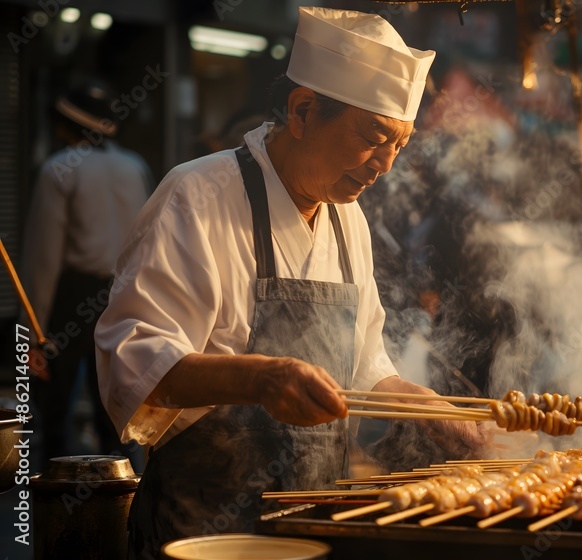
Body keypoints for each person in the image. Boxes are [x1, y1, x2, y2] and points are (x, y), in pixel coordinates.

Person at [94, 8, 486, 557]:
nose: (386, 165)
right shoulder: (196, 196)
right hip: (204, 535)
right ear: (303, 111)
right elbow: (133, 366)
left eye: (400, 144)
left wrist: (421, 403)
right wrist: (261, 378)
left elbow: (368, 368)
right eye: (374, 137)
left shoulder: (348, 219)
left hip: (314, 530)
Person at [23, 80, 152, 461]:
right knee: (115, 407)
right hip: (124, 293)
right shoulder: (135, 166)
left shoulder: (58, 169)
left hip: (71, 297)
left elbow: (43, 258)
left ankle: (59, 497)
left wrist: (34, 332)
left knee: (57, 408)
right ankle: (119, 499)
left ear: (66, 126)